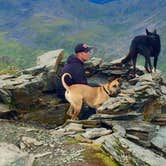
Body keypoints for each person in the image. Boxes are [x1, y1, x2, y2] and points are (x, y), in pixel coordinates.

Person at [56, 43, 96, 119]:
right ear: (80, 54)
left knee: (95, 86)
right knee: (96, 93)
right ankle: (88, 117)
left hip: (66, 90)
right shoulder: (76, 67)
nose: (89, 54)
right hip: (67, 93)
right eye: (87, 52)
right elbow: (83, 86)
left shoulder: (74, 62)